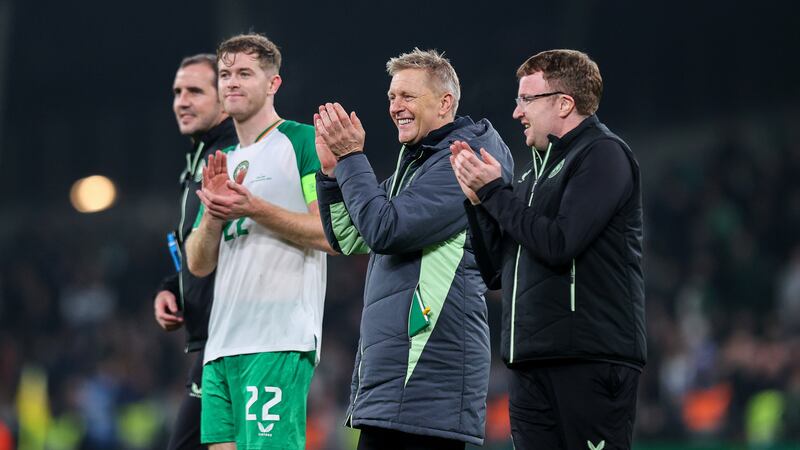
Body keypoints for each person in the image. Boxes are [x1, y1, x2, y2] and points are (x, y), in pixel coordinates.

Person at [313, 48, 513, 450]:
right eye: (391, 97)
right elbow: (353, 237)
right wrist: (334, 175)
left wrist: (352, 158)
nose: (395, 106)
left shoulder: (462, 159)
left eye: (407, 96)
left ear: (444, 103)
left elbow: (387, 230)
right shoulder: (420, 162)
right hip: (396, 385)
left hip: (429, 382)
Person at [450, 49, 646, 450]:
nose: (516, 112)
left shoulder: (603, 154)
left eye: (526, 99)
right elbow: (496, 273)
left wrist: (495, 192)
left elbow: (559, 244)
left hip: (587, 359)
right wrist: (479, 203)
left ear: (564, 103)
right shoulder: (532, 175)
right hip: (529, 361)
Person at [184, 33, 333, 450]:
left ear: (273, 84)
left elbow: (328, 233)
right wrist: (213, 215)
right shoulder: (222, 161)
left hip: (277, 339)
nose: (231, 82)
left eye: (245, 73)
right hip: (221, 345)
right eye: (225, 74)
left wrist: (254, 208)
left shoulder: (301, 142)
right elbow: (197, 264)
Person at [153, 53, 236, 450]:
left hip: (233, 338)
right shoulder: (197, 161)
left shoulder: (234, 155)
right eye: (177, 92)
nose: (181, 101)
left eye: (195, 91)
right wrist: (173, 287)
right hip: (211, 337)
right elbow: (190, 248)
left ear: (225, 100)